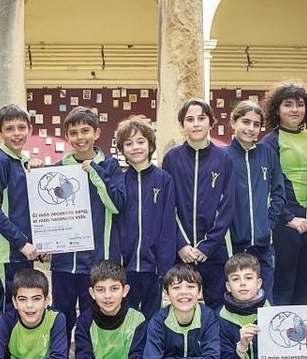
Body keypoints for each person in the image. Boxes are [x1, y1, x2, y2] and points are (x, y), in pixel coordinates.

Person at [52, 106, 125, 336]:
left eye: (85, 131)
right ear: (67, 137)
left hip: (96, 261)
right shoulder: (58, 168)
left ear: (96, 133)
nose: (80, 137)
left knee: (92, 319)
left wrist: (93, 171)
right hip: (63, 261)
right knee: (62, 319)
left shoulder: (110, 166)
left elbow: (116, 205)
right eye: (73, 133)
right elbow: (49, 211)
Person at [161, 99, 235, 310]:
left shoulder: (224, 158)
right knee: (182, 303)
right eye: (190, 119)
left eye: (201, 118)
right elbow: (168, 207)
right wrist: (181, 244)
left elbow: (227, 205)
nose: (196, 124)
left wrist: (208, 245)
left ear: (211, 123)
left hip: (214, 251)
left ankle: (216, 343)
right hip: (181, 251)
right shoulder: (171, 159)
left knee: (218, 305)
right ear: (182, 124)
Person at [259, 81, 307, 306]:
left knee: (303, 285)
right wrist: (289, 218)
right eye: (288, 104)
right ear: (277, 109)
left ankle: (300, 339)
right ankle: (277, 339)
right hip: (285, 223)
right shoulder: (269, 143)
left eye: (300, 104)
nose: (295, 109)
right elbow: (267, 189)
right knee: (282, 286)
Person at [115, 115, 177, 317]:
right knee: (128, 315)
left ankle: (151, 349)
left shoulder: (164, 179)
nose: (135, 147)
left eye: (141, 141)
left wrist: (164, 264)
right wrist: (118, 261)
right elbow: (116, 223)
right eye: (129, 143)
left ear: (150, 145)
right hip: (127, 265)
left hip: (154, 266)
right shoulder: (121, 181)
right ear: (122, 149)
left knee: (153, 315)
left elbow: (168, 224)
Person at [0, 104, 39, 323]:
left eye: (21, 127)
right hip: (6, 250)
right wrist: (21, 242)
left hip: (23, 250)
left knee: (19, 305)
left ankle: (11, 355)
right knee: (5, 306)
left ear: (29, 130)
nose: (16, 133)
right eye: (9, 128)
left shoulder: (22, 162)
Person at [225, 102, 284, 301]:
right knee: (235, 298)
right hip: (234, 244)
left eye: (256, 124)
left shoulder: (268, 154)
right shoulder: (223, 156)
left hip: (263, 245)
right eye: (246, 122)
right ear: (234, 121)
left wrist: (268, 224)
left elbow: (278, 193)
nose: (251, 128)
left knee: (265, 299)